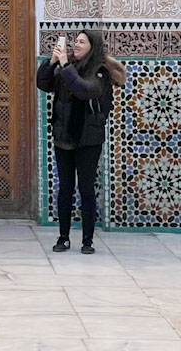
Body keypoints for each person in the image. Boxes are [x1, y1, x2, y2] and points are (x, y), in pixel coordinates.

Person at [36, 30, 125, 254]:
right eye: (75, 41)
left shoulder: (101, 72)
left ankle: (88, 240)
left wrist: (65, 66)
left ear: (92, 47)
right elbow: (43, 84)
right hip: (64, 136)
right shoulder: (68, 68)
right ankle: (63, 237)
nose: (76, 45)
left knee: (86, 188)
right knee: (65, 188)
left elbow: (85, 91)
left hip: (88, 139)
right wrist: (51, 62)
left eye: (81, 42)